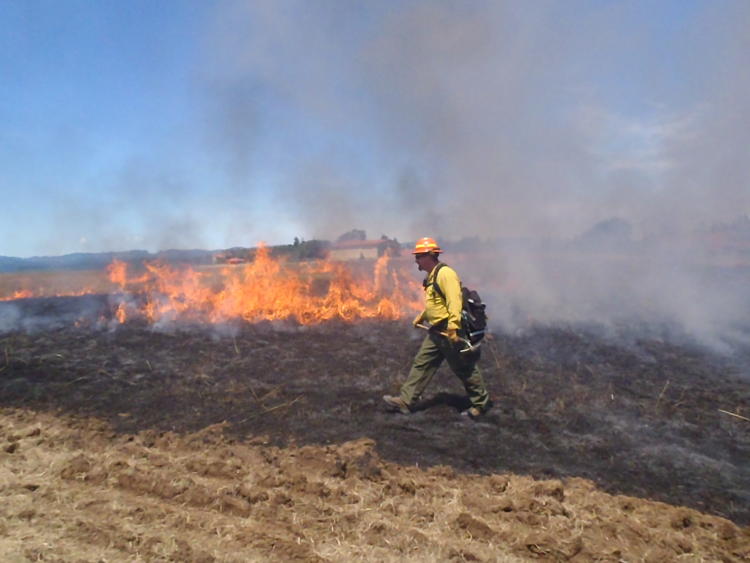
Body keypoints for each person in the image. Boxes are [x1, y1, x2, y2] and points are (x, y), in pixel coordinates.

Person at [383, 237, 491, 419]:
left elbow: (454, 301)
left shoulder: (445, 274)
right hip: (436, 331)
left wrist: (453, 327)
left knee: (464, 368)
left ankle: (481, 404)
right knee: (422, 363)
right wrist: (422, 316)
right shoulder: (431, 276)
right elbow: (435, 304)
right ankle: (406, 401)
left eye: (419, 256)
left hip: (449, 330)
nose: (416, 260)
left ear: (430, 255)